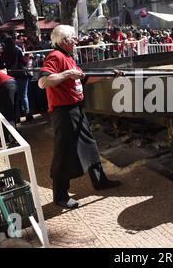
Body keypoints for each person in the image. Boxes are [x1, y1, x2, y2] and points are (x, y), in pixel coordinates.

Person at [38, 25, 122, 209]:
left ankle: (100, 181)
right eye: (73, 39)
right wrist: (67, 73)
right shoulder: (55, 56)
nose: (76, 42)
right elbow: (44, 82)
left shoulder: (68, 57)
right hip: (63, 112)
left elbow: (83, 78)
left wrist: (108, 76)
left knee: (90, 145)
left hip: (75, 108)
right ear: (64, 41)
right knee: (65, 152)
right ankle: (60, 196)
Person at [0, 35, 33, 121]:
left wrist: (8, 66)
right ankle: (27, 114)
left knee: (15, 97)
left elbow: (1, 66)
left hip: (11, 76)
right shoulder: (17, 51)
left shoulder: (3, 53)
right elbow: (24, 63)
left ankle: (17, 117)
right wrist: (28, 57)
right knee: (24, 95)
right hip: (21, 75)